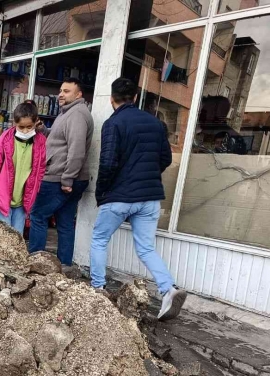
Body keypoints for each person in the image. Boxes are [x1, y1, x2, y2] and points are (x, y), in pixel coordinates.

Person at [91, 77, 187, 321]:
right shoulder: (155, 123)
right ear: (135, 97)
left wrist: (101, 193)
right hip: (149, 197)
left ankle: (98, 289)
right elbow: (165, 158)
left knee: (100, 239)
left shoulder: (113, 123)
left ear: (112, 99)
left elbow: (108, 163)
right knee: (146, 247)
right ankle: (168, 289)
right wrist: (147, 175)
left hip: (119, 196)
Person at [29, 78, 93, 265]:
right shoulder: (67, 113)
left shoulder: (77, 115)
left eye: (66, 91)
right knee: (64, 222)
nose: (61, 94)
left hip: (60, 177)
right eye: (60, 90)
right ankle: (64, 266)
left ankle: (36, 264)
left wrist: (67, 180)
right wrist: (43, 130)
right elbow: (60, 141)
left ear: (79, 94)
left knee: (38, 216)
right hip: (67, 177)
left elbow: (76, 149)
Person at [0, 100, 47, 233]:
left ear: (36, 122)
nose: (25, 131)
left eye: (29, 127)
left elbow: (40, 168)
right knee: (4, 239)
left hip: (23, 201)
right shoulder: (3, 140)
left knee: (17, 237)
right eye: (21, 127)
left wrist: (35, 188)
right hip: (3, 198)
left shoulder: (41, 142)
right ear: (14, 123)